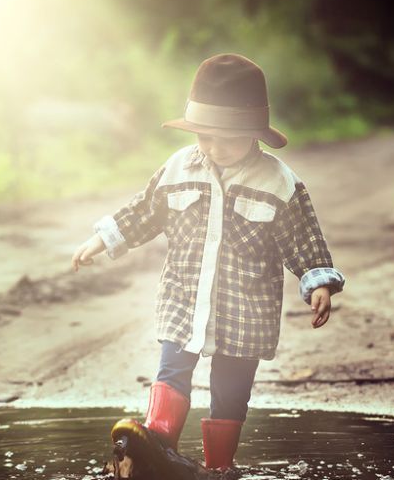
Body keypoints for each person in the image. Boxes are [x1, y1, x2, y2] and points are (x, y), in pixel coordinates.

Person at [71, 53, 345, 471]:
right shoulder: (178, 167)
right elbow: (145, 212)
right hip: (184, 300)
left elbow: (303, 236)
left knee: (231, 391)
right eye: (205, 137)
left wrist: (317, 280)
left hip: (245, 312)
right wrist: (102, 238)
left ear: (255, 134)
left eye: (228, 139)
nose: (215, 148)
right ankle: (155, 443)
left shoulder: (278, 182)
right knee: (172, 369)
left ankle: (219, 466)